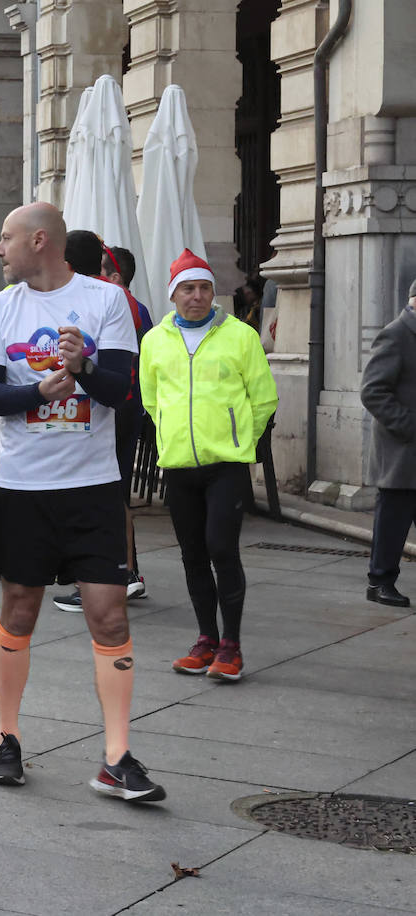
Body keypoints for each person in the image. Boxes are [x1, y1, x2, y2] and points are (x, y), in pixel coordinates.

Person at [0, 202, 165, 803]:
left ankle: (117, 756)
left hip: (93, 488)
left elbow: (124, 392)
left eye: (5, 239)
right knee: (20, 612)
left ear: (39, 240)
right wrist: (37, 389)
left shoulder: (106, 301)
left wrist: (81, 369)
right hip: (23, 488)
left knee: (110, 616)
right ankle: (7, 739)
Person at [141, 250, 278, 681]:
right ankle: (205, 639)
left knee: (221, 548)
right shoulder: (154, 341)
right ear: (173, 295)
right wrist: (169, 434)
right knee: (193, 555)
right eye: (188, 289)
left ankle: (231, 646)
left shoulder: (240, 336)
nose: (197, 296)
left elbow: (264, 398)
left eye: (203, 288)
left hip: (226, 465)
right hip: (179, 465)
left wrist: (241, 441)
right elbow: (151, 398)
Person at [53, 234, 153, 612]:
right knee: (116, 490)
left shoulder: (96, 299)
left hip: (108, 404)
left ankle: (112, 575)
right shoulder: (130, 301)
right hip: (131, 402)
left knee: (101, 492)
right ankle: (127, 572)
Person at [362, 278, 416, 608]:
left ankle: (382, 579)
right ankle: (380, 582)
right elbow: (373, 391)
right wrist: (410, 426)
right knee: (393, 520)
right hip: (401, 452)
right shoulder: (396, 334)